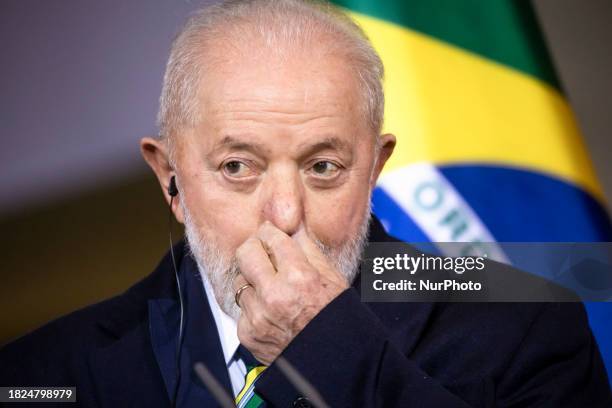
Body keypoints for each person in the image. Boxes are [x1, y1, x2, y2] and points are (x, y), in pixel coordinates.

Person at [1, 1, 610, 406]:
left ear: (373, 168)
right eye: (237, 167)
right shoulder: (39, 375)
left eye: (324, 167)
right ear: (170, 180)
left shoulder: (531, 327)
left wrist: (331, 348)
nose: (286, 215)